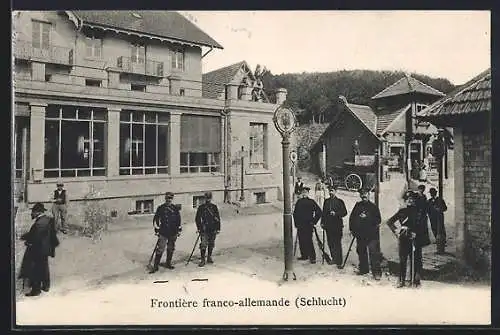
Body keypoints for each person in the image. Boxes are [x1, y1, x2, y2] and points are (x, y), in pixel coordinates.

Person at [386, 191, 431, 287]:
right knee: (403, 259)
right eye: (407, 199)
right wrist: (396, 231)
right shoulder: (402, 211)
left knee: (416, 260)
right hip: (404, 238)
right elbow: (389, 222)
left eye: (411, 199)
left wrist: (417, 234)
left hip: (415, 239)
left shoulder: (419, 212)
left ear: (414, 200)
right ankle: (401, 280)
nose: (409, 201)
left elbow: (423, 226)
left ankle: (416, 280)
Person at [18, 203, 59, 296]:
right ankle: (46, 286)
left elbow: (35, 237)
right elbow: (51, 235)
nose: (31, 214)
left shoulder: (39, 223)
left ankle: (36, 290)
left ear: (37, 212)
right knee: (44, 267)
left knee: (36, 268)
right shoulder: (49, 220)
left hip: (38, 249)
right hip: (46, 248)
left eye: (33, 212)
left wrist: (27, 242)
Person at [349, 188, 382, 280]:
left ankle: (377, 273)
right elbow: (352, 218)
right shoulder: (357, 206)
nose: (364, 195)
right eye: (362, 194)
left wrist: (367, 217)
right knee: (361, 252)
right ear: (360, 195)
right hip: (360, 234)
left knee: (373, 254)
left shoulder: (373, 207)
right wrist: (352, 229)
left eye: (365, 194)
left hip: (371, 235)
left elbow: (378, 220)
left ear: (369, 194)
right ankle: (364, 269)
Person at [149, 192, 182, 273]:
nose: (169, 200)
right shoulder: (161, 208)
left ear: (172, 199)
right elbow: (156, 219)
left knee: (171, 248)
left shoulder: (175, 208)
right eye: (167, 198)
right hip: (163, 232)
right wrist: (157, 230)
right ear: (165, 199)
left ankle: (168, 263)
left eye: (170, 198)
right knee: (160, 248)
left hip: (173, 231)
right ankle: (156, 266)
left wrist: (179, 230)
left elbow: (178, 220)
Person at [293, 186, 322, 264]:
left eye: (306, 192)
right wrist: (296, 223)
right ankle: (304, 255)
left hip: (309, 224)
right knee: (301, 240)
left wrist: (314, 221)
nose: (304, 193)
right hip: (300, 225)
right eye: (303, 192)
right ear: (301, 193)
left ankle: (312, 257)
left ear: (308, 193)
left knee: (309, 240)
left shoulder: (311, 202)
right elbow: (295, 213)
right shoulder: (298, 202)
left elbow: (319, 212)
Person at [320, 185, 348, 268]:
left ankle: (339, 260)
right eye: (329, 191)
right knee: (330, 242)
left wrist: (336, 213)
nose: (330, 192)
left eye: (332, 191)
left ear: (336, 191)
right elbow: (323, 213)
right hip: (328, 226)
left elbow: (344, 212)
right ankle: (334, 258)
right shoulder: (326, 201)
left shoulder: (340, 201)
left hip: (337, 226)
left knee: (337, 243)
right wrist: (322, 222)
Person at [195, 192, 221, 267]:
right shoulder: (201, 207)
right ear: (205, 198)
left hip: (213, 228)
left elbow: (217, 218)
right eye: (207, 198)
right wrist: (199, 228)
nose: (208, 199)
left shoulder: (214, 207)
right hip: (204, 229)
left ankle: (209, 257)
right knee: (203, 244)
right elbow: (197, 219)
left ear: (211, 198)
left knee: (211, 243)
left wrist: (218, 228)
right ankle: (203, 260)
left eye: (209, 198)